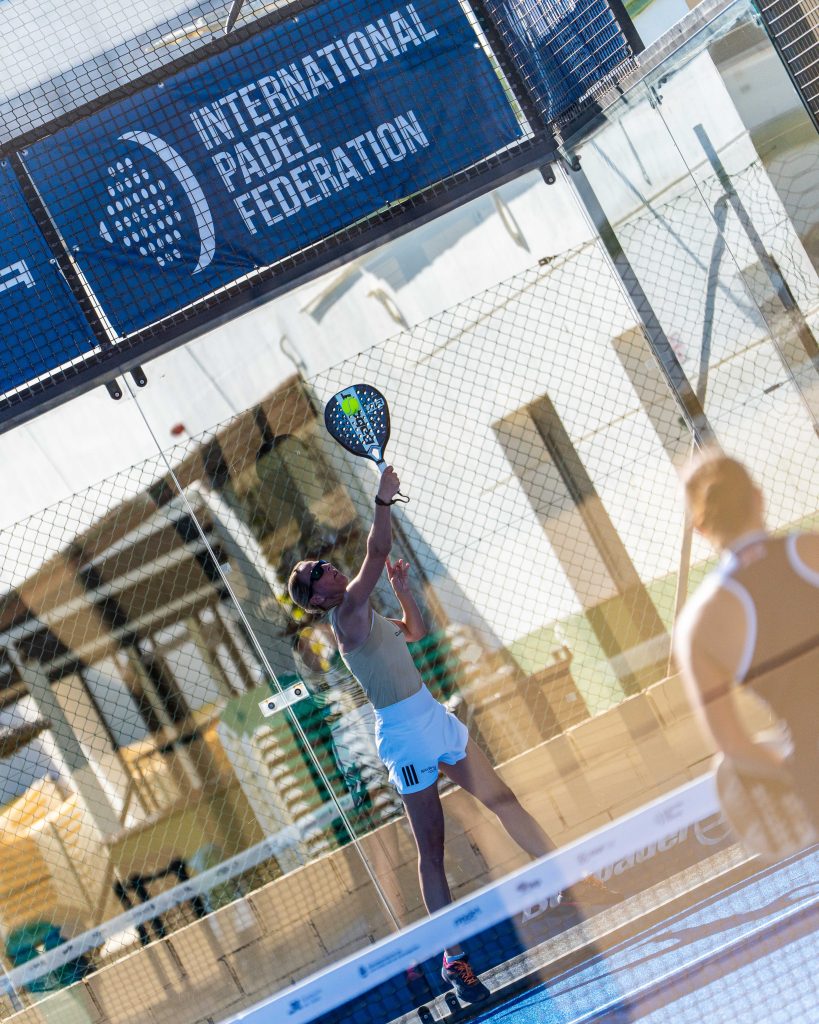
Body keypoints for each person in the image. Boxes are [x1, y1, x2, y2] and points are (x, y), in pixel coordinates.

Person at [289, 465, 619, 1004]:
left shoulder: (363, 610)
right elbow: (376, 549)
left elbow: (415, 633)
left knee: (502, 798)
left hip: (432, 716)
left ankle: (568, 880)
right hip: (404, 737)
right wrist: (382, 499)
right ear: (317, 596)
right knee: (434, 849)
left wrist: (403, 593)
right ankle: (453, 960)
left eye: (323, 562)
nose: (328, 566)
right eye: (318, 570)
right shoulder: (346, 613)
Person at [673, 450, 819, 829]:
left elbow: (733, 746)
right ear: (758, 497)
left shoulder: (697, 625)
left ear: (700, 527)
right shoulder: (813, 549)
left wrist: (800, 775)